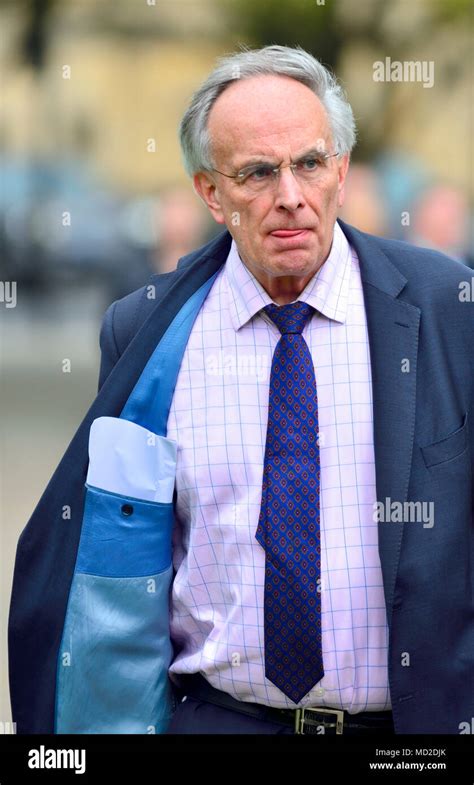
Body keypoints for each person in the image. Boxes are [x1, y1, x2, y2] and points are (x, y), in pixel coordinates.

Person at [8, 45, 473, 736]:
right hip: (220, 720)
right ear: (210, 192)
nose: (289, 194)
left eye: (309, 163)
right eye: (257, 171)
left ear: (341, 169)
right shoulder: (146, 331)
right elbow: (112, 556)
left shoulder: (447, 307)